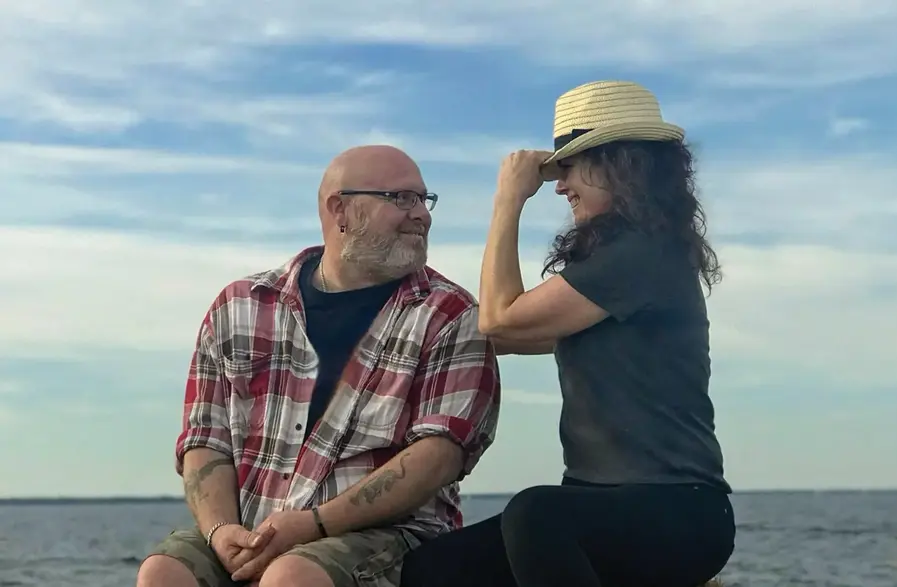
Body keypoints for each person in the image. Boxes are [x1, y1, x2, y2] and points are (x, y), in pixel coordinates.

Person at [400, 80, 736, 587]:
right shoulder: (625, 261)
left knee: (536, 514)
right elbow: (507, 335)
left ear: (619, 164)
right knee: (435, 570)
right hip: (602, 501)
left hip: (677, 507)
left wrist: (508, 200)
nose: (559, 186)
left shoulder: (640, 255)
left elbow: (499, 319)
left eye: (570, 168)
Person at [135, 145, 502, 587]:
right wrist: (219, 532)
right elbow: (205, 439)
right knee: (163, 572)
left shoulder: (449, 314)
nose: (421, 214)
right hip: (250, 527)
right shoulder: (239, 306)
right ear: (340, 209)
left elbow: (440, 456)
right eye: (402, 198)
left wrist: (314, 525)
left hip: (390, 536)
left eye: (424, 200)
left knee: (292, 577)